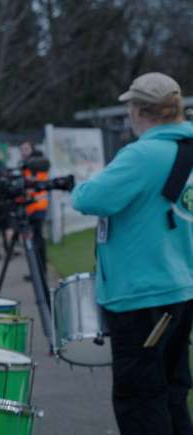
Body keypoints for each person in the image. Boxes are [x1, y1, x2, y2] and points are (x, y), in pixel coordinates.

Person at [72, 72, 193, 435]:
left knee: (140, 401)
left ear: (140, 110)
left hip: (141, 296)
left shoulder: (142, 154)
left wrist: (83, 183)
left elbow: (89, 198)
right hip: (181, 289)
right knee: (173, 392)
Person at [20, 141, 50, 283]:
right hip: (31, 209)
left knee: (36, 242)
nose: (23, 152)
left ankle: (40, 272)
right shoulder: (26, 166)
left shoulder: (37, 164)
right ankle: (37, 271)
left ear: (32, 149)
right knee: (33, 242)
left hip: (37, 208)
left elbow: (35, 185)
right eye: (21, 149)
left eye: (26, 149)